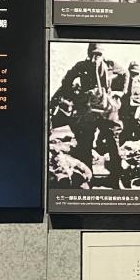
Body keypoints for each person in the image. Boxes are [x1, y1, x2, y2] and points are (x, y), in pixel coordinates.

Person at [55, 42, 126, 187]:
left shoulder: (111, 65)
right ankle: (87, 180)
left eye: (99, 54)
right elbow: (66, 81)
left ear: (103, 54)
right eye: (93, 54)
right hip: (88, 111)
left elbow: (125, 74)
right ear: (88, 54)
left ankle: (116, 178)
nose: (96, 57)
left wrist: (120, 92)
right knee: (85, 145)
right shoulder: (81, 66)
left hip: (107, 110)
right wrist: (76, 97)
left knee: (113, 143)